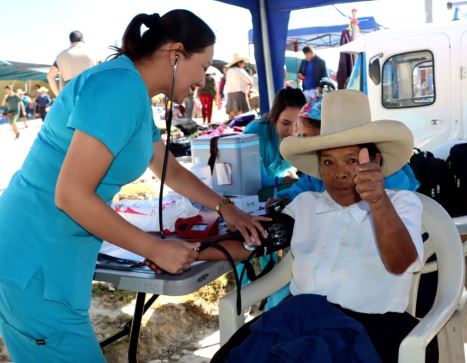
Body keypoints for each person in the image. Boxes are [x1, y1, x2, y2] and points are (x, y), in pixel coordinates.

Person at [0, 10, 269, 362]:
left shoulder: (132, 92)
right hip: (35, 257)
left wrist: (225, 208)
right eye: (203, 67)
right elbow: (70, 194)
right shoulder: (119, 87)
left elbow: (169, 169)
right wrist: (153, 249)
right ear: (176, 53)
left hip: (51, 255)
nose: (203, 81)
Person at [198, 90, 438, 363]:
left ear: (376, 162)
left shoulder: (401, 203)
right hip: (298, 322)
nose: (340, 173)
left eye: (351, 160)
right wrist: (195, 252)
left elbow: (400, 262)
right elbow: (258, 239)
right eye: (328, 162)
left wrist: (379, 202)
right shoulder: (306, 205)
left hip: (370, 327)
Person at [275, 95, 420, 204]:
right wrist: (282, 200)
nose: (305, 142)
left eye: (351, 160)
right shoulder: (318, 174)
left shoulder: (392, 183)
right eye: (328, 162)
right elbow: (299, 190)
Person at [243, 87, 306, 189]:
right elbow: (257, 180)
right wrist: (283, 180)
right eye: (285, 123)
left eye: (297, 124)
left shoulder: (304, 133)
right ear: (273, 117)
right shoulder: (254, 133)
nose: (292, 131)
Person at [47, 30, 96, 96]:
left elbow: (50, 76)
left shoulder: (61, 55)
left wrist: (58, 95)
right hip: (90, 90)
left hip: (70, 93)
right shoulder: (93, 52)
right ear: (83, 39)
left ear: (70, 41)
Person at [225, 53, 253, 120]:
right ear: (239, 63)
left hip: (230, 94)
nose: (243, 64)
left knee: (232, 117)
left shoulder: (229, 71)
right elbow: (249, 80)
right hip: (239, 94)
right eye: (243, 63)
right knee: (242, 115)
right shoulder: (239, 70)